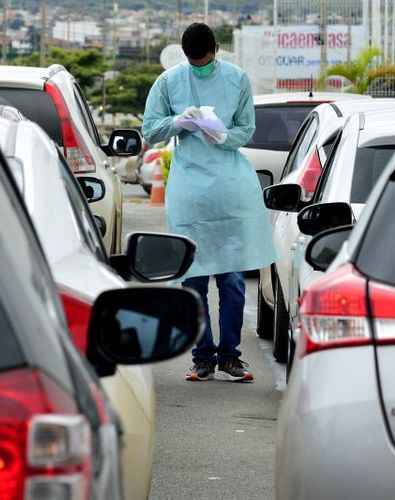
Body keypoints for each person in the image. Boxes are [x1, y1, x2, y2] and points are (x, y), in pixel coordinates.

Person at [142, 23, 276, 383]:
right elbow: (150, 129)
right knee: (194, 278)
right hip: (189, 191)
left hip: (229, 187)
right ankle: (203, 356)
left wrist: (222, 135)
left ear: (216, 50)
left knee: (232, 277)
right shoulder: (169, 82)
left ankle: (230, 355)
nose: (199, 66)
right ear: (184, 55)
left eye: (204, 60)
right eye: (193, 61)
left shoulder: (237, 79)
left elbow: (246, 129)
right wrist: (179, 121)